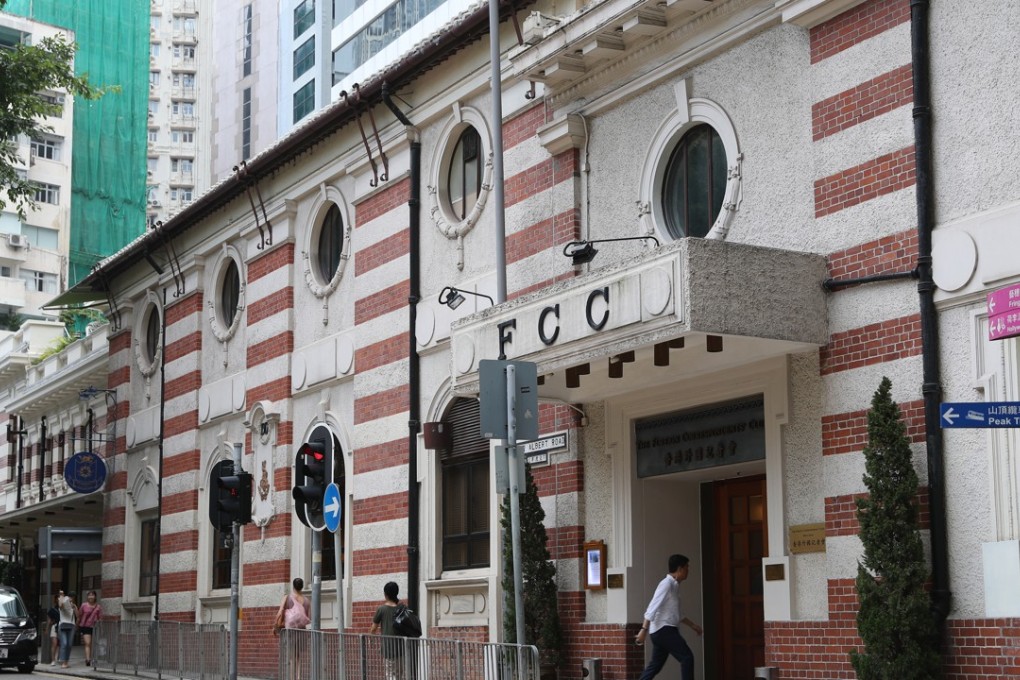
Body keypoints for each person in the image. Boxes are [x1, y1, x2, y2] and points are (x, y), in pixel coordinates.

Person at [635, 554, 703, 680]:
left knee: (655, 666)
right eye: (687, 567)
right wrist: (643, 630)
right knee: (687, 657)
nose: (688, 570)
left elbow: (677, 613)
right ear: (680, 569)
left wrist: (693, 626)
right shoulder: (666, 584)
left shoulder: (675, 586)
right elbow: (652, 607)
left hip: (660, 632)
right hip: (664, 630)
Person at [275, 578, 310, 680]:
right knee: (298, 656)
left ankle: (291, 677)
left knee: (291, 656)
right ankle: (298, 677)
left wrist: (276, 625)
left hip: (290, 631)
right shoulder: (307, 601)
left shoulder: (288, 597)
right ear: (302, 586)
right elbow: (308, 617)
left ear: (293, 586)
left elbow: (280, 611)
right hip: (302, 630)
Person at [370, 581, 405, 680]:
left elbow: (373, 628)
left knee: (390, 675)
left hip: (388, 648)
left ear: (386, 594)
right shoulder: (402, 608)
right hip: (401, 647)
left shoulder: (382, 609)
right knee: (399, 675)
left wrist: (371, 639)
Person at [78, 591, 102, 667]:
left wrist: (99, 625)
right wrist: (78, 624)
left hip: (95, 627)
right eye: (89, 595)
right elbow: (79, 615)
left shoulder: (98, 607)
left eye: (92, 595)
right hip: (85, 627)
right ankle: (88, 660)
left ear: (95, 597)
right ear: (87, 597)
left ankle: (93, 658)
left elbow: (100, 618)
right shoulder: (83, 605)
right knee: (88, 643)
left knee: (94, 644)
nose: (91, 597)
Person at [57, 590, 79, 669]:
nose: (71, 599)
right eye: (70, 597)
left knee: (69, 644)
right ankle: (63, 661)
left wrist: (75, 607)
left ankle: (66, 661)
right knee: (64, 643)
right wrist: (61, 596)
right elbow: (60, 606)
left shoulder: (73, 605)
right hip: (63, 625)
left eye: (72, 598)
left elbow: (78, 616)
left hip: (71, 626)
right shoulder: (63, 602)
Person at [47, 595, 59, 667]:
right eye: (57, 599)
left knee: (61, 644)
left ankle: (59, 658)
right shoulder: (52, 610)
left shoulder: (64, 609)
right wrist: (47, 628)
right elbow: (49, 620)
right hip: (54, 627)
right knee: (54, 644)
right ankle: (53, 660)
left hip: (62, 627)